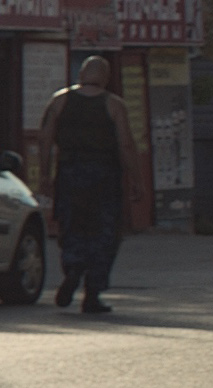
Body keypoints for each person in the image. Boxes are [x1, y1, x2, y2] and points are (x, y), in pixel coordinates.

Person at [34, 51, 139, 315]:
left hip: (70, 174)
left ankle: (73, 268)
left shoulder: (60, 100)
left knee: (72, 228)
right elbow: (126, 144)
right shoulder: (114, 105)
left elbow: (44, 139)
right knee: (104, 234)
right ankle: (92, 292)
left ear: (81, 75)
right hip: (104, 176)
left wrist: (44, 175)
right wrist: (137, 180)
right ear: (106, 78)